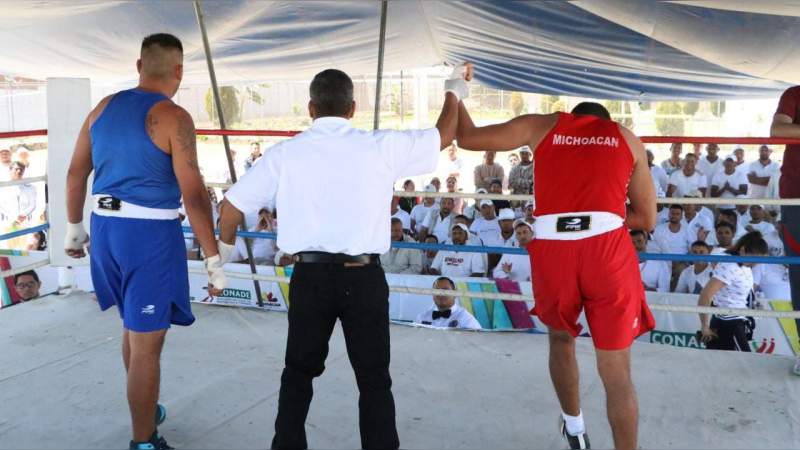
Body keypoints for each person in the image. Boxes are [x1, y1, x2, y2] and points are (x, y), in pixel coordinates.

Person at [216, 67, 462, 450]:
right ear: (352, 108)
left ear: (311, 108)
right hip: (363, 277)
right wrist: (454, 90)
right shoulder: (380, 146)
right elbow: (444, 134)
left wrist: (221, 262)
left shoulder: (285, 154)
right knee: (374, 378)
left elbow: (230, 209)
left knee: (298, 372)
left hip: (310, 278)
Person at [456, 94, 656, 450]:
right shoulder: (627, 138)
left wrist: (454, 90)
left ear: (569, 116)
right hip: (608, 252)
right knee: (616, 369)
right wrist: (600, 218)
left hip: (554, 248)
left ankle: (574, 428)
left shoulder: (543, 125)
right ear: (605, 122)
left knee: (561, 338)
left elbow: (467, 137)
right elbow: (647, 219)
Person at [64, 34, 224, 450]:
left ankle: (145, 410)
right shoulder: (173, 116)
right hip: (148, 235)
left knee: (135, 330)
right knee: (148, 343)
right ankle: (144, 440)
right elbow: (193, 194)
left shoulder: (102, 107)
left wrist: (73, 227)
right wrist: (213, 258)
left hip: (104, 231)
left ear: (139, 66)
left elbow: (75, 173)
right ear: (179, 71)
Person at [698, 232, 768, 351]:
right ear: (743, 250)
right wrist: (705, 326)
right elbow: (706, 294)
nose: (756, 263)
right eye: (754, 259)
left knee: (726, 363)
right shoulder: (730, 266)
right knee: (744, 363)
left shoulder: (744, 265)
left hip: (735, 319)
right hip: (729, 322)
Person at [414, 277, 481, 330]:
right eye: (436, 290)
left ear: (455, 293)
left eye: (445, 290)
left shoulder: (466, 319)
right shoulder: (422, 318)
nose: (440, 293)